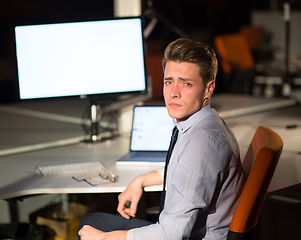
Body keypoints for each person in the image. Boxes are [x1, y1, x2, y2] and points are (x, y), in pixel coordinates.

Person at [78, 38, 246, 240]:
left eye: (186, 83)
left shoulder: (202, 143)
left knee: (92, 228)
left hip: (183, 236)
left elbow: (172, 234)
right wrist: (141, 180)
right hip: (180, 231)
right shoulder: (202, 122)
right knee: (93, 222)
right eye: (169, 81)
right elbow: (186, 170)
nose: (173, 93)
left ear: (208, 89)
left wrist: (105, 239)